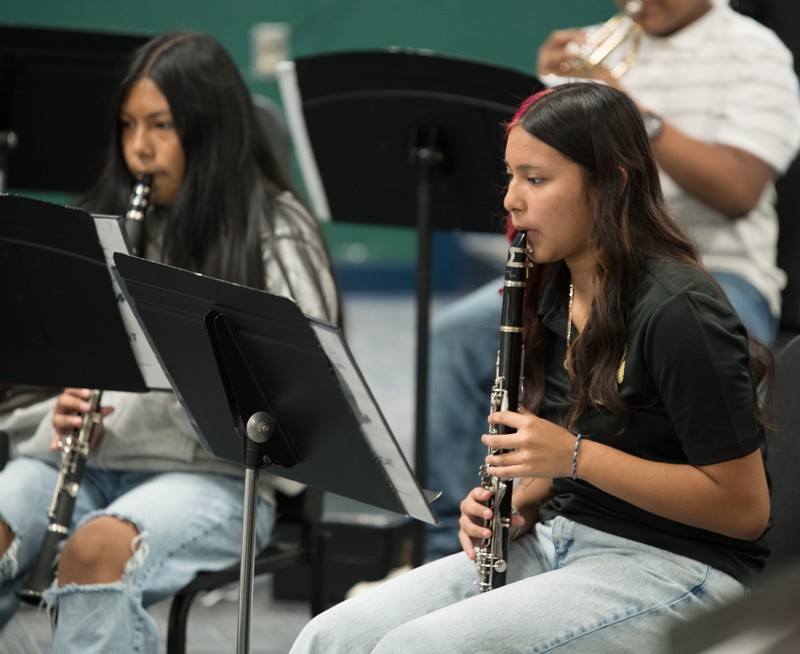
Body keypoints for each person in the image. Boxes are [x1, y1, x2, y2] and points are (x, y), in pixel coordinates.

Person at [291, 80, 772, 653]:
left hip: (678, 569)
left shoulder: (679, 311)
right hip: (561, 539)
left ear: (611, 183)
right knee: (331, 636)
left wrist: (573, 458)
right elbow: (575, 452)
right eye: (511, 176)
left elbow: (744, 510)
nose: (511, 201)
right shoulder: (555, 288)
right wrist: (519, 502)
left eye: (536, 180)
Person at [423, 0, 800, 562]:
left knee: (664, 365)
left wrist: (630, 112)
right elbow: (550, 159)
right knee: (456, 335)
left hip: (716, 269)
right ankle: (442, 547)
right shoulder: (608, 40)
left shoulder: (753, 51)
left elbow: (739, 187)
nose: (633, 4)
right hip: (583, 260)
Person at [0, 31, 339, 653]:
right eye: (128, 126)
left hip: (211, 480)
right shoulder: (97, 218)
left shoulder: (275, 233)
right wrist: (50, 413)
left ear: (209, 129)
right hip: (74, 464)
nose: (139, 150)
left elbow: (306, 410)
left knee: (95, 552)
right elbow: (24, 371)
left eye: (161, 126)